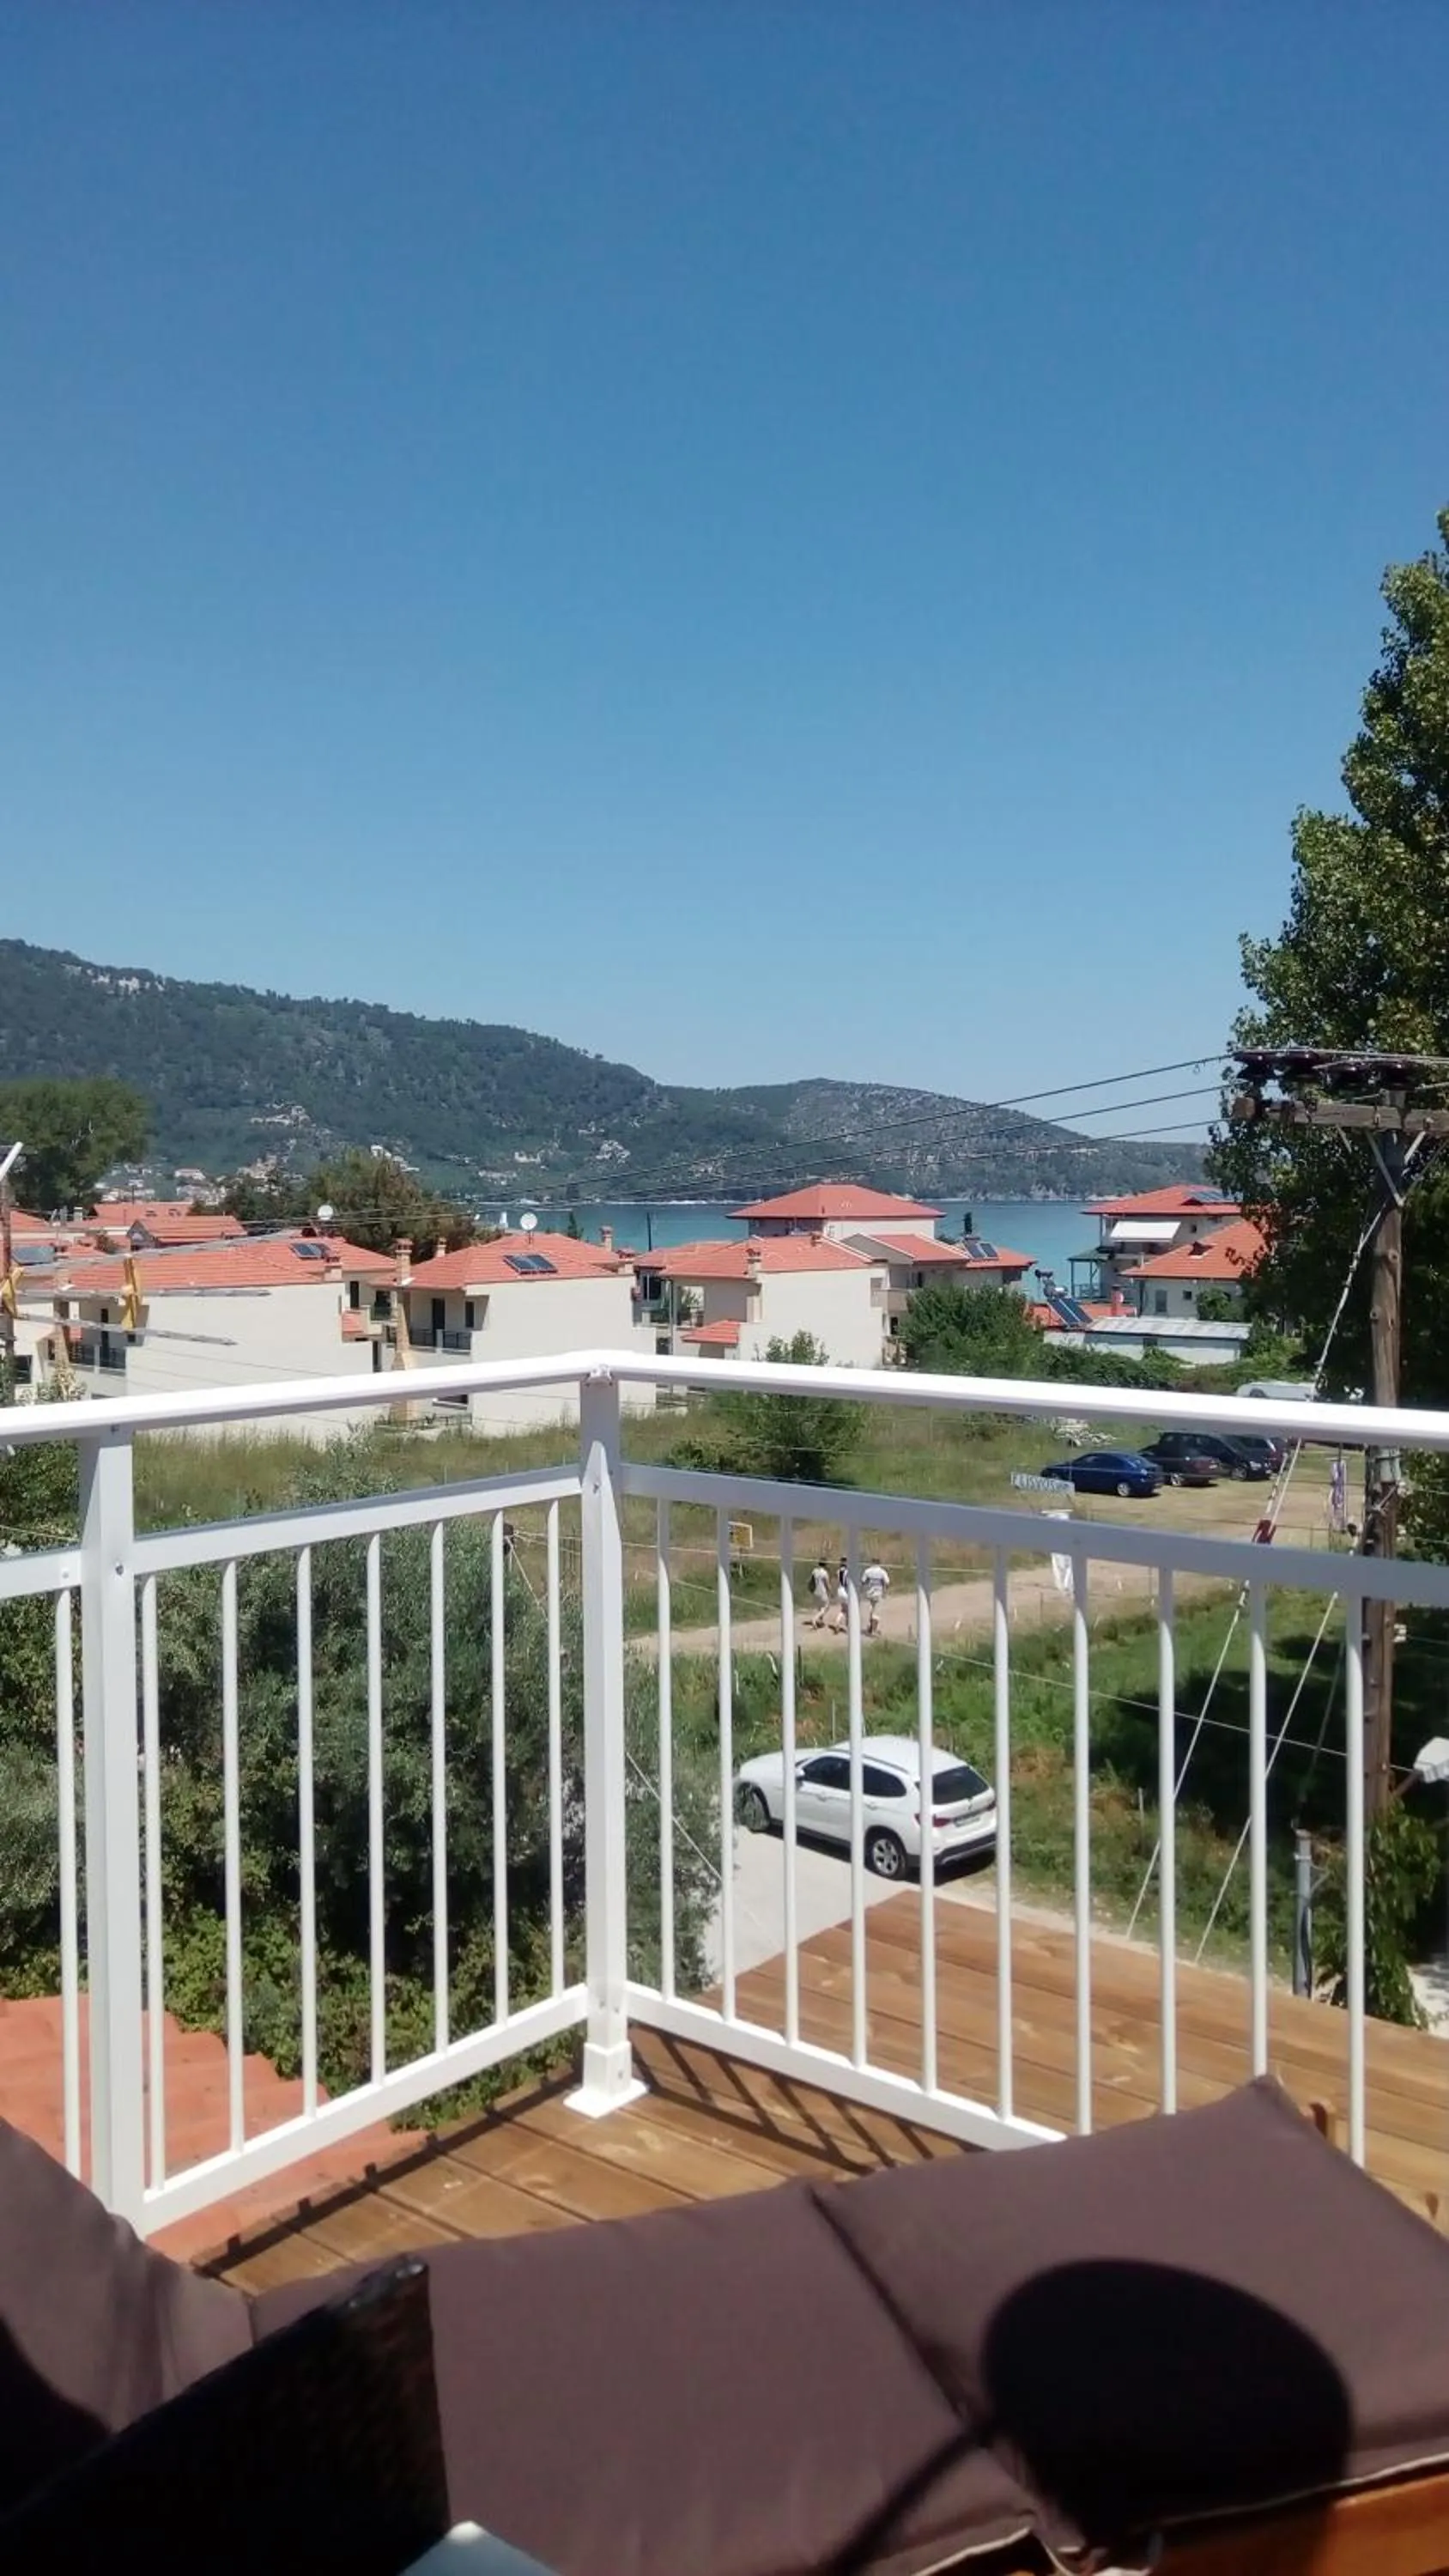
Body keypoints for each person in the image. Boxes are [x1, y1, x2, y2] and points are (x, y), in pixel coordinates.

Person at [862, 1556, 891, 1637]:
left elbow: (863, 1581)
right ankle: (874, 1630)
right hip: (878, 1593)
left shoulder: (867, 1571)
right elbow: (887, 1582)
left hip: (869, 1593)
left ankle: (871, 1627)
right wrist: (885, 1591)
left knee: (871, 1611)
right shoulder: (882, 1572)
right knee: (876, 1613)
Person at [807, 1556, 831, 1627]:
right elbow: (827, 1584)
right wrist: (830, 1591)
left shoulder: (814, 1571)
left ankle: (820, 1621)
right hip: (822, 1592)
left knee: (820, 1608)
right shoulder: (825, 1573)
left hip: (815, 1592)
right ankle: (814, 1619)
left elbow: (811, 1580)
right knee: (826, 1607)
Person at [830, 1560, 850, 1634]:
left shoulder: (838, 1571)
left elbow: (837, 1581)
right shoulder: (848, 1571)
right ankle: (848, 1628)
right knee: (848, 1611)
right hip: (845, 1591)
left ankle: (837, 1622)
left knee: (843, 1610)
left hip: (840, 1590)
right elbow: (847, 1583)